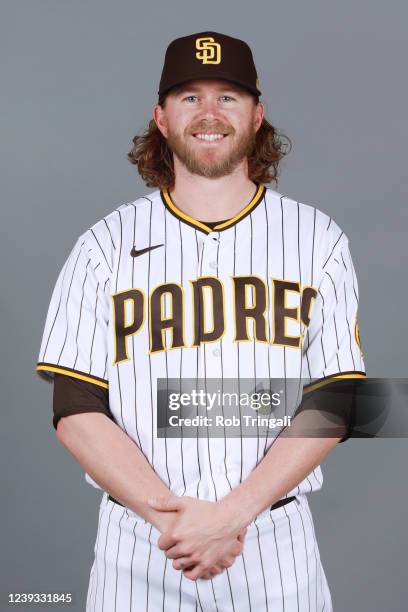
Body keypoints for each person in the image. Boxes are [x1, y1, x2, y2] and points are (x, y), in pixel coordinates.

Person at [36, 31, 367, 611]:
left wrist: (232, 516)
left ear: (258, 116)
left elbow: (336, 399)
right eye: (189, 97)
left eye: (228, 97)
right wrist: (180, 524)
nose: (209, 114)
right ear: (161, 118)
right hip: (140, 547)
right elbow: (75, 406)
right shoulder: (103, 246)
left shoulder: (318, 240)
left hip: (274, 548)